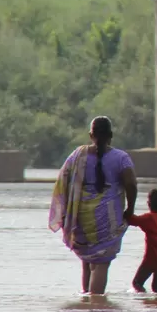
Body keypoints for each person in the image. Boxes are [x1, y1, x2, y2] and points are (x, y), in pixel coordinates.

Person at [49, 116, 138, 295]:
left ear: (91, 135)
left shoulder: (77, 155)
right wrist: (130, 209)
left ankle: (86, 303)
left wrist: (66, 211)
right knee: (102, 264)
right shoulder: (121, 158)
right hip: (108, 217)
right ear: (111, 135)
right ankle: (96, 305)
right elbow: (131, 185)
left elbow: (63, 183)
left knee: (86, 262)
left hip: (81, 217)